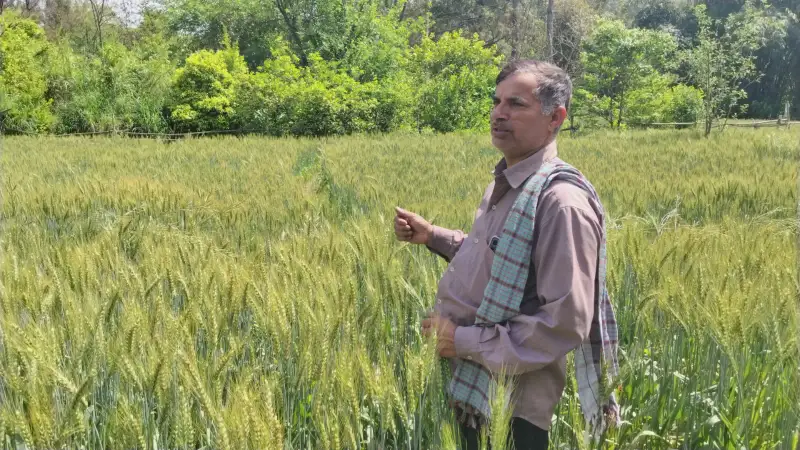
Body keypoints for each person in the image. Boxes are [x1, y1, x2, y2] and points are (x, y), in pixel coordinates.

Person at [394, 60, 619, 450]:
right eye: (496, 101)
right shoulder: (508, 183)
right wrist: (433, 236)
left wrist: (461, 340)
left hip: (513, 408)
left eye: (516, 104)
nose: (499, 113)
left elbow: (565, 323)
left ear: (555, 118)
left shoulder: (561, 203)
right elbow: (495, 259)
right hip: (470, 391)